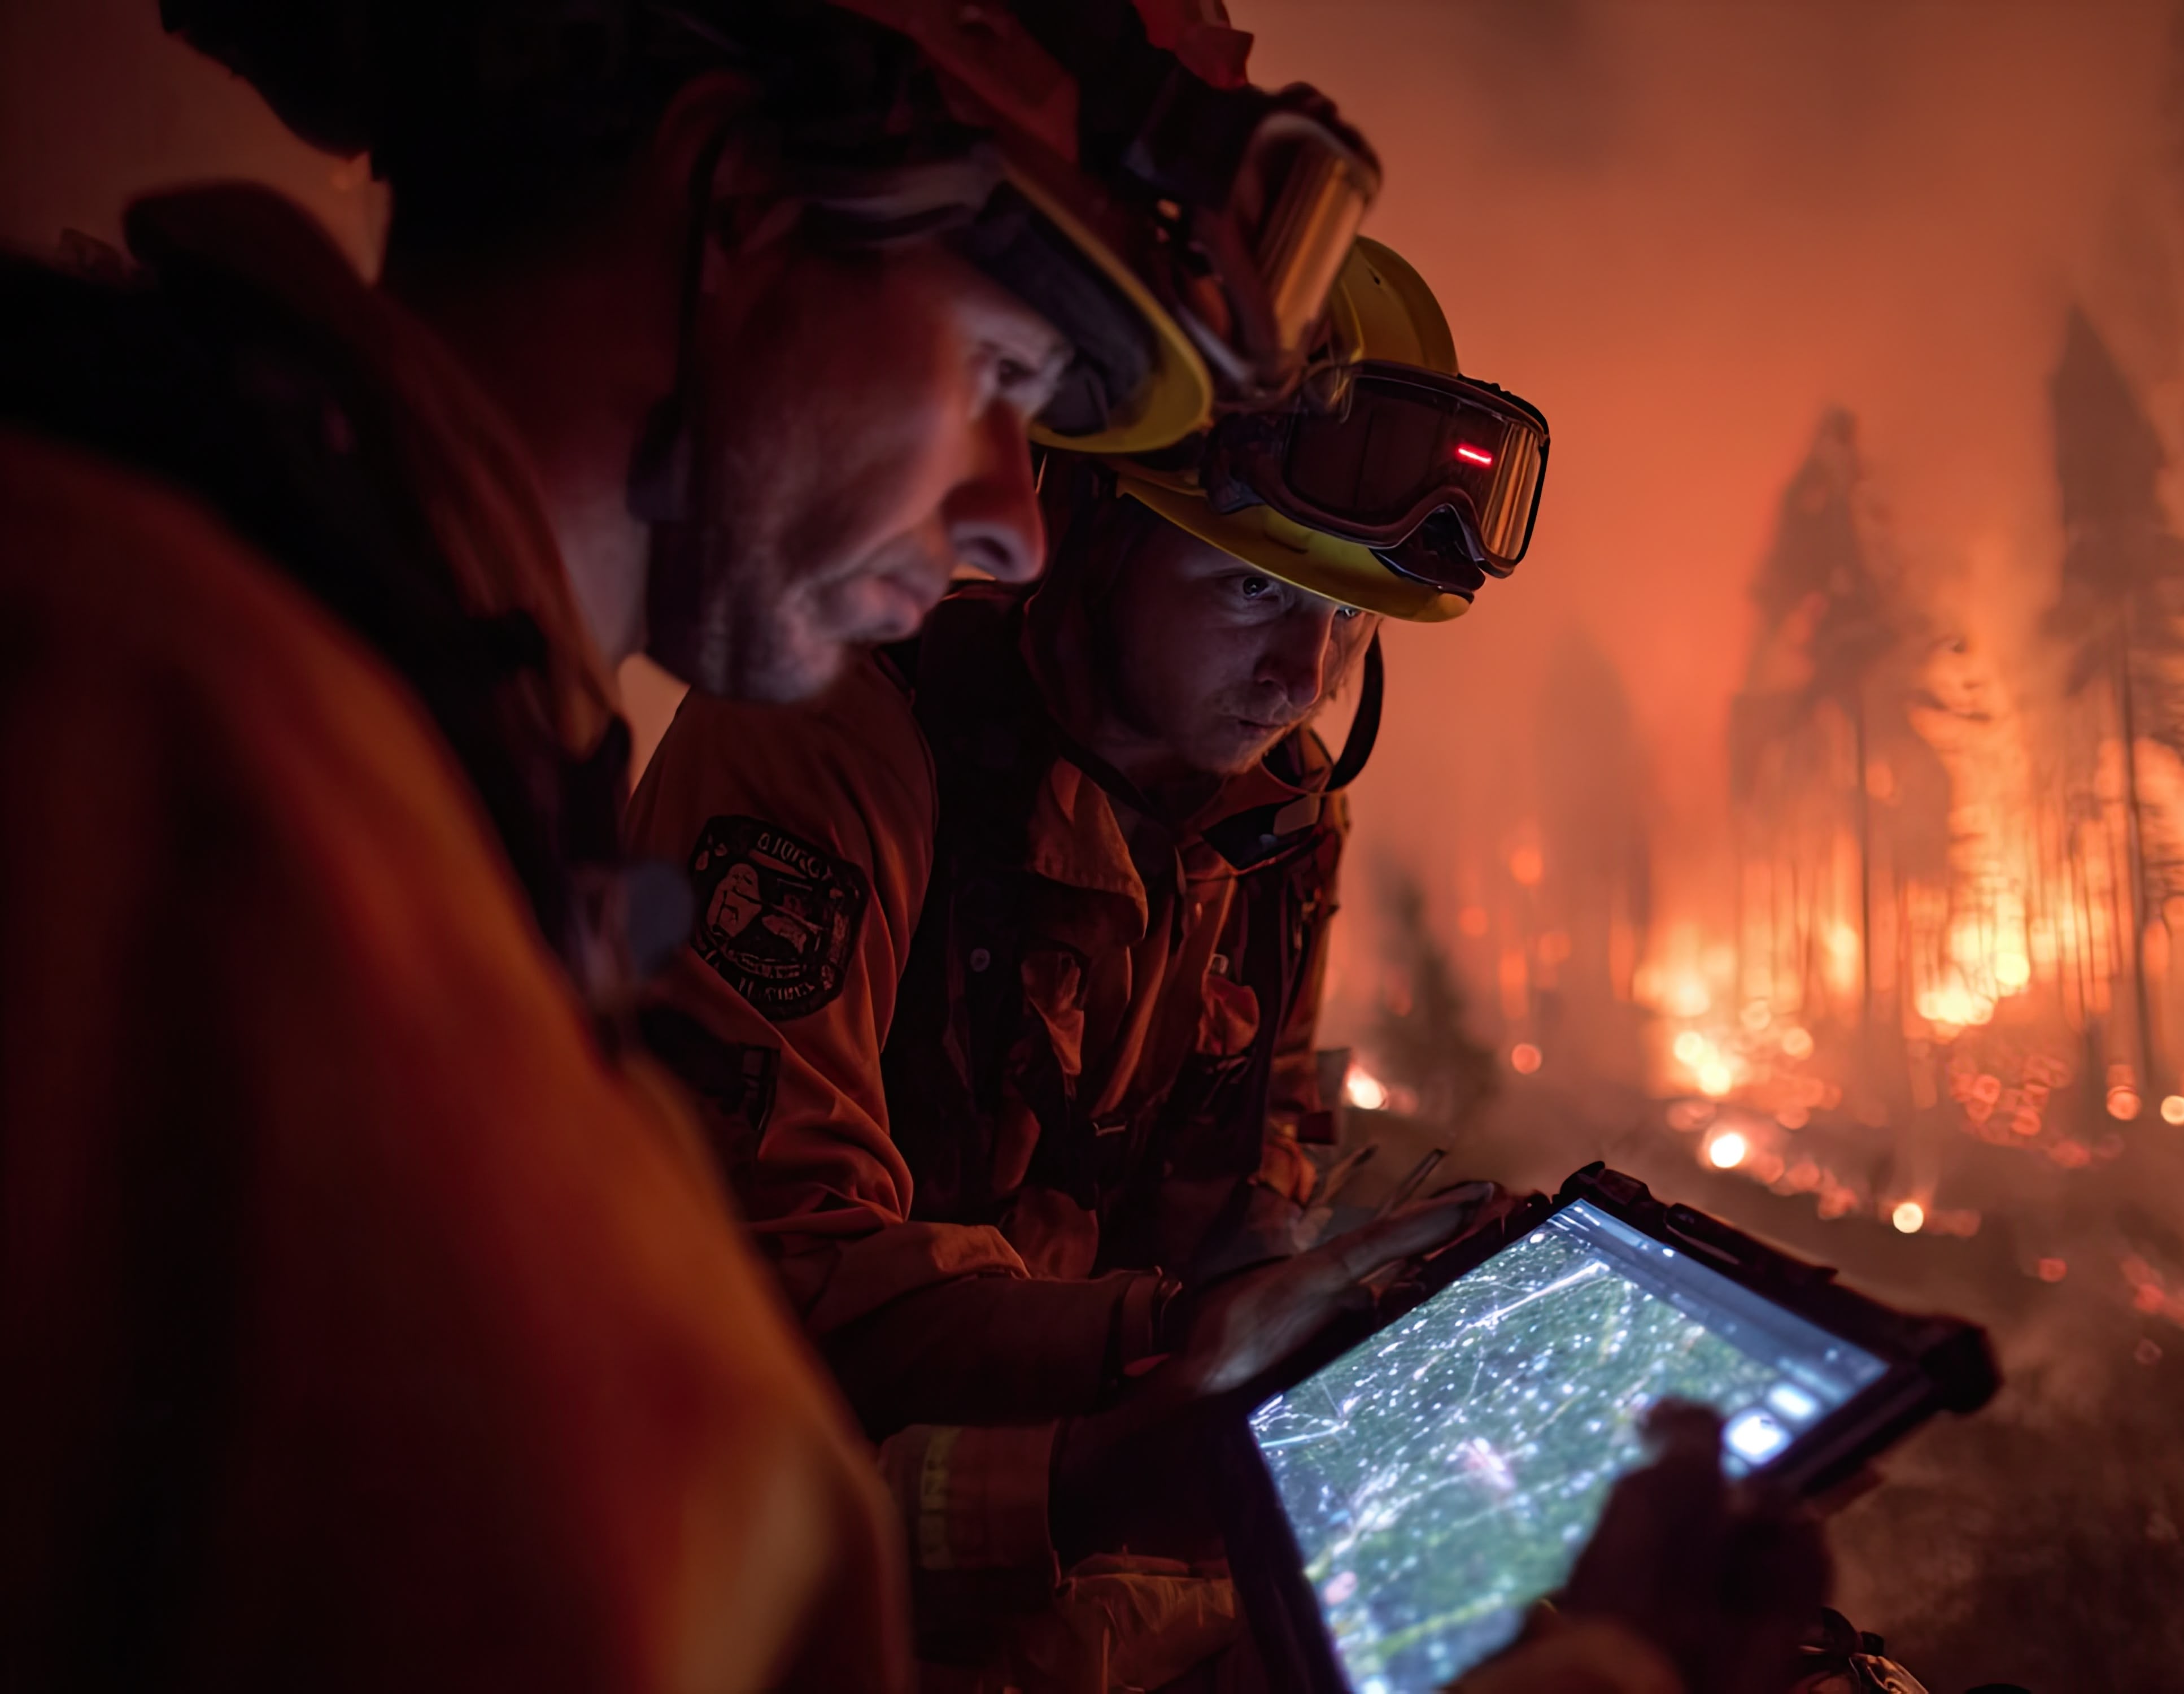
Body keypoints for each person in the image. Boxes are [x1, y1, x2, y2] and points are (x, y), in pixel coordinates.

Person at [0, 0, 1387, 1686]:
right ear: (740, 209)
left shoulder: (375, 724)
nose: (1014, 527)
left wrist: (1097, 1468)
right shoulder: (183, 745)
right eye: (998, 375)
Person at [623, 237, 1549, 1682]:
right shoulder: (830, 734)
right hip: (763, 1541)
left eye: (1352, 620)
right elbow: (768, 1281)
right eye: (1252, 590)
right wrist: (1173, 1335)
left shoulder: (1276, 814)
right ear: (1085, 529)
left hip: (1100, 1507)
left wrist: (1316, 1302)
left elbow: (1259, 1150)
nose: (1302, 680)